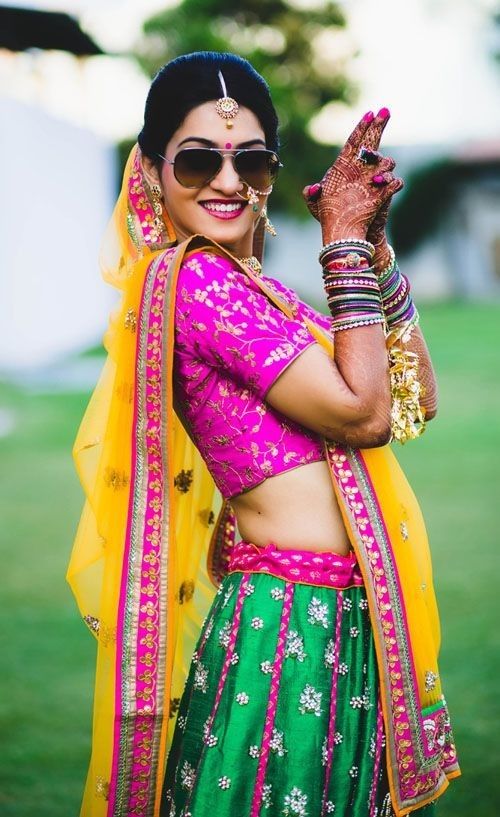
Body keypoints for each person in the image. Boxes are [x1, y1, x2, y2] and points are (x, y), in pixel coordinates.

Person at [68, 52, 460, 817]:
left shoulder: (265, 294)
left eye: (250, 158)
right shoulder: (194, 282)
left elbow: (415, 399)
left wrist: (373, 252)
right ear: (149, 171)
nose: (226, 179)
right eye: (196, 159)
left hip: (342, 621)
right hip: (287, 628)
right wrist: (341, 239)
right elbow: (364, 414)